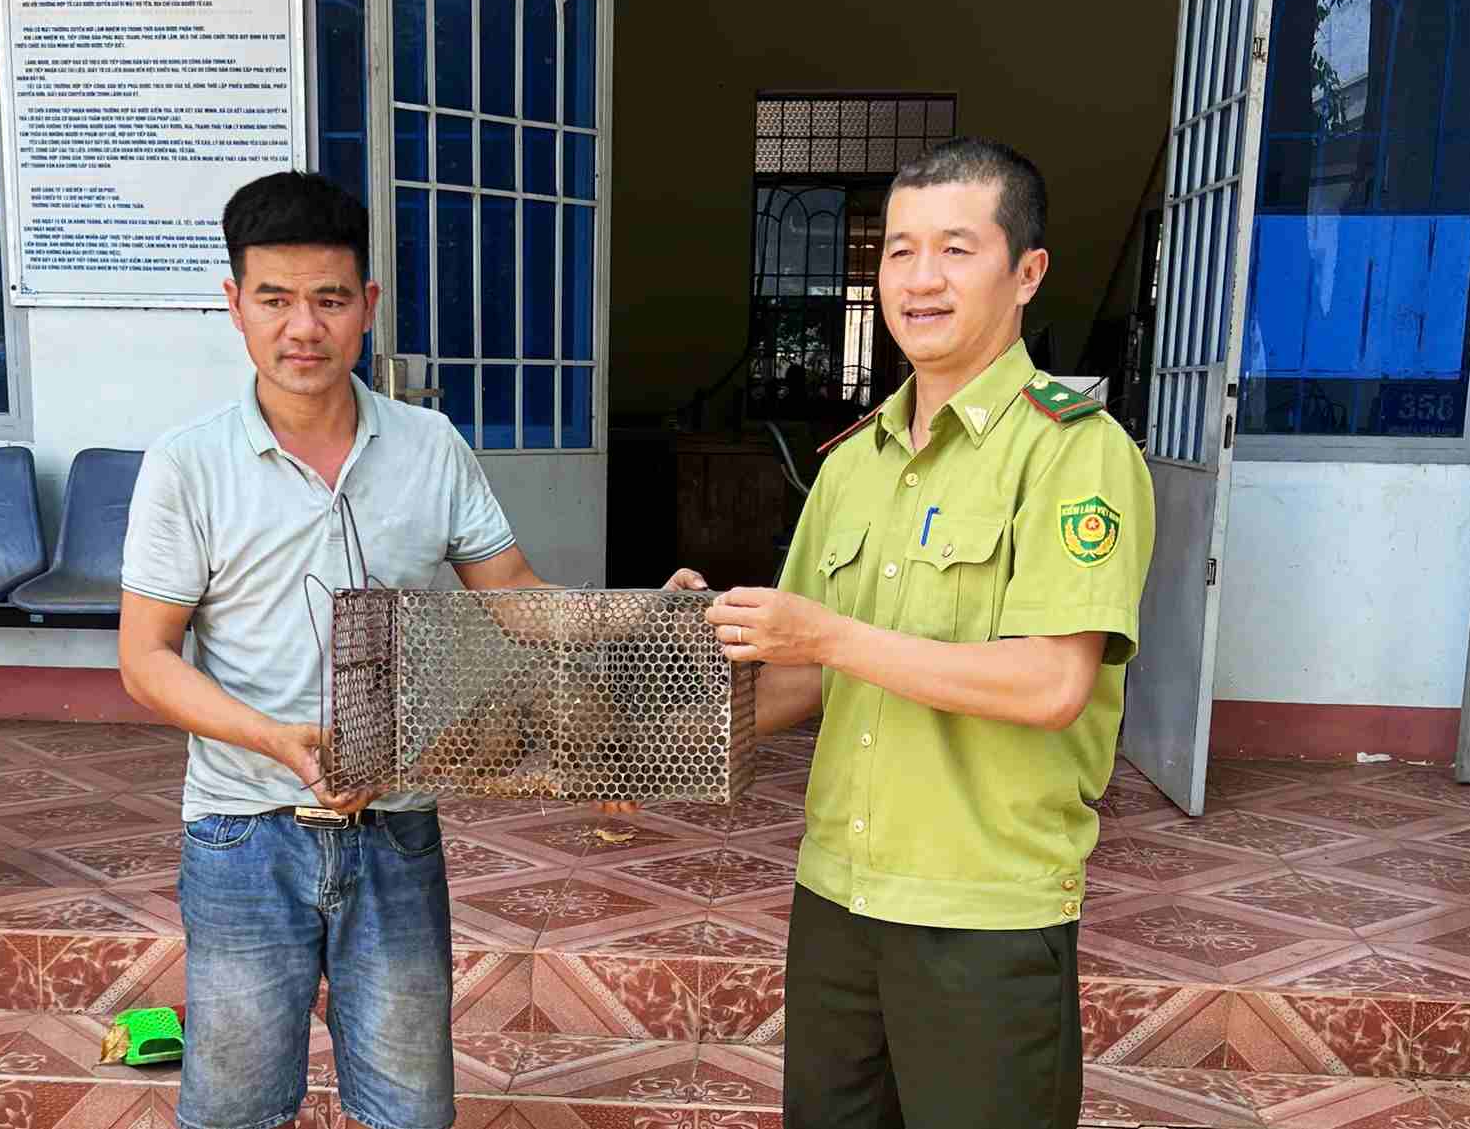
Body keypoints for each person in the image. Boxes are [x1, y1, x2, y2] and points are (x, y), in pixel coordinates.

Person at [118, 170, 697, 1129]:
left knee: (409, 1108)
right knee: (233, 1108)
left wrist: (646, 615)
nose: (303, 327)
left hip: (396, 823)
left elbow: (514, 599)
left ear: (368, 305)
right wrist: (276, 740)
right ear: (235, 304)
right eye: (274, 299)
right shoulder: (188, 464)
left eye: (329, 299)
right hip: (241, 829)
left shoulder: (430, 444)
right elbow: (146, 658)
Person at [705, 138, 1156, 1129]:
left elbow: (1049, 685)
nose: (918, 280)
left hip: (980, 915)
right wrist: (670, 683)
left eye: (955, 249)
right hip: (836, 900)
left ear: (1025, 272)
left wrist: (828, 637)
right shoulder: (851, 465)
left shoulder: (1073, 455)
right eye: (898, 251)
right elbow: (800, 679)